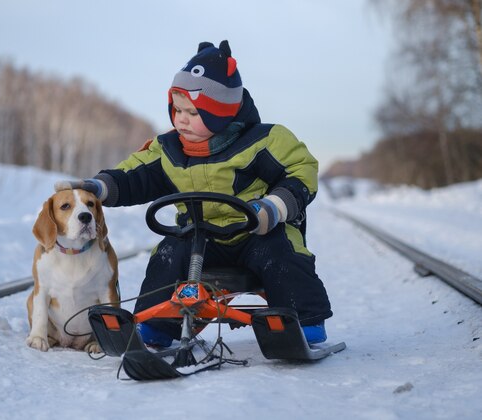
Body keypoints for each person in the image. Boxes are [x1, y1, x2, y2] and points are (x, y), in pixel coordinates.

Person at [59, 40, 333, 347]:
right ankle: (155, 326)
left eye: (192, 111)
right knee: (168, 254)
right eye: (177, 109)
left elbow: (300, 170)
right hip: (200, 235)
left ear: (221, 112)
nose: (181, 119)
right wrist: (99, 187)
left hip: (256, 231)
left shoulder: (264, 141)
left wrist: (273, 208)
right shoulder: (168, 150)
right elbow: (132, 175)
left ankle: (305, 321)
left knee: (281, 253)